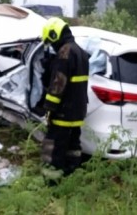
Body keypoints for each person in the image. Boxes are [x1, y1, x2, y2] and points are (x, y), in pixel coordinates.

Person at [40, 17, 89, 181]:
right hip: (78, 111)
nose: (51, 46)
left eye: (49, 41)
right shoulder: (80, 51)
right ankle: (71, 176)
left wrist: (48, 108)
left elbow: (58, 83)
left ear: (54, 35)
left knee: (53, 148)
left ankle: (51, 182)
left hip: (63, 112)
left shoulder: (65, 52)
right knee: (73, 146)